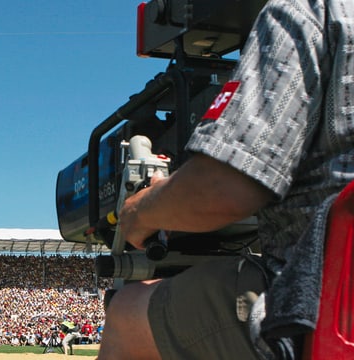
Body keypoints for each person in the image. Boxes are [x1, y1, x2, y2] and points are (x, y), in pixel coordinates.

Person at [97, 0, 354, 359]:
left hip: (323, 307)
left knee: (127, 312)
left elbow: (219, 188)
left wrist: (140, 210)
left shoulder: (312, 9)